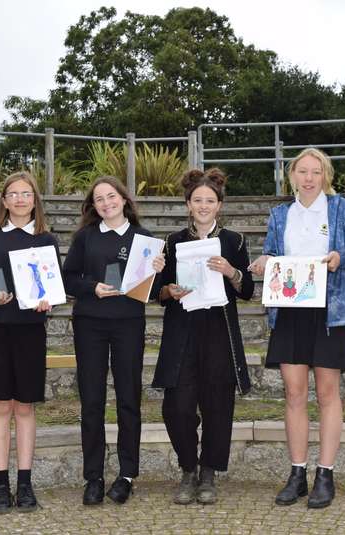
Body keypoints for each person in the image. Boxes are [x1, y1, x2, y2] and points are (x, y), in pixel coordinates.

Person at [249, 148, 345, 509]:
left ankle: (326, 473)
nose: (308, 178)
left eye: (315, 172)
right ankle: (297, 474)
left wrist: (341, 257)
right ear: (292, 176)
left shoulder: (341, 209)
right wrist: (263, 262)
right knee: (293, 393)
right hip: (290, 309)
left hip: (329, 310)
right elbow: (271, 254)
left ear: (325, 176)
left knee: (328, 392)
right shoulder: (280, 214)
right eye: (302, 171)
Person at [152, 168, 254, 505]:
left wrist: (232, 272)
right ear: (188, 204)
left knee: (217, 405)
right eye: (198, 200)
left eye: (210, 200)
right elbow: (159, 291)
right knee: (176, 406)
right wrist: (168, 288)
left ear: (220, 204)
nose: (204, 205)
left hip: (219, 333)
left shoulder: (235, 241)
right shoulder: (173, 241)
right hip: (182, 332)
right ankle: (188, 467)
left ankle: (208, 471)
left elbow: (248, 290)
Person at [0, 171, 59, 514]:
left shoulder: (46, 239)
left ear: (35, 200)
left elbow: (52, 288)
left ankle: (25, 483)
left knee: (25, 407)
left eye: (26, 193)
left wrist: (49, 301)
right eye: (13, 194)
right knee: (1, 406)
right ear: (4, 201)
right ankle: (1, 483)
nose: (20, 199)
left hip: (30, 330)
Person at [63, 176, 165, 506]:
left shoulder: (144, 239)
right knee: (91, 402)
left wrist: (160, 269)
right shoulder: (85, 237)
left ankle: (126, 475)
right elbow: (67, 278)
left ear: (124, 199)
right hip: (90, 324)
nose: (106, 203)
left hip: (128, 325)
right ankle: (93, 477)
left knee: (128, 400)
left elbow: (152, 288)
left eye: (111, 197)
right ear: (93, 207)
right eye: (99, 200)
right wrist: (91, 287)